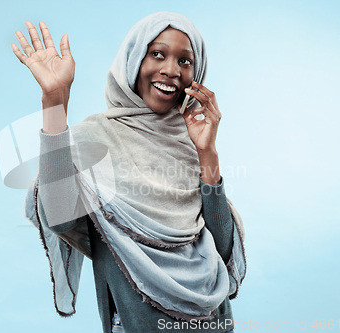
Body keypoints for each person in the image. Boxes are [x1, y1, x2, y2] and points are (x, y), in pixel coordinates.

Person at [13, 11, 246, 333]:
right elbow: (61, 217)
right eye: (157, 54)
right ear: (133, 60)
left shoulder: (190, 140)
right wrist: (55, 100)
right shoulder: (91, 138)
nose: (170, 70)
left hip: (214, 322)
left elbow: (221, 249)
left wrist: (207, 152)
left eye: (185, 61)